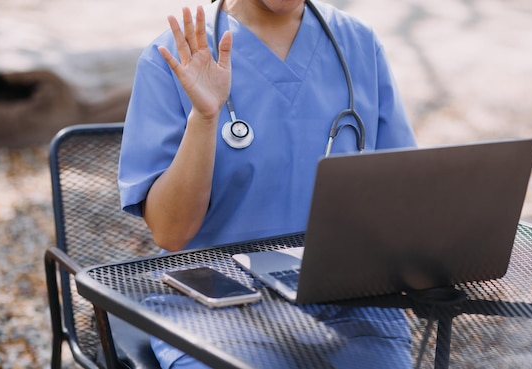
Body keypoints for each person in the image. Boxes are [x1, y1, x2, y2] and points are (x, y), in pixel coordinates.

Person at [118, 0, 417, 367]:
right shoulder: (172, 58)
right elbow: (170, 232)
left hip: (353, 303)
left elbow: (403, 197)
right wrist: (204, 118)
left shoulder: (359, 44)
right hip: (219, 309)